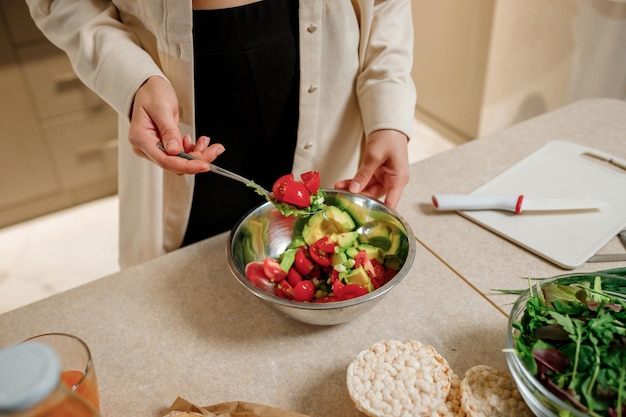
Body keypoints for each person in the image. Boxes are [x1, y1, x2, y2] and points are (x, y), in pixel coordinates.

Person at [25, 0, 417, 269]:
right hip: (172, 81)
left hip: (329, 73)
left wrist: (388, 108)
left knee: (316, 254)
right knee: (184, 281)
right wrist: (132, 78)